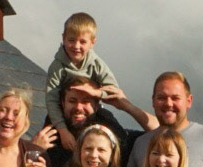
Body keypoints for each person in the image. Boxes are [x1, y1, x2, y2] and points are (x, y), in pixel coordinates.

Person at [44, 13, 153, 153]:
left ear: (92, 43)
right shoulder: (57, 67)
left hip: (93, 113)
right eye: (71, 40)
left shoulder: (97, 64)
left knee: (116, 136)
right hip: (60, 115)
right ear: (63, 38)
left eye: (82, 42)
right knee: (48, 142)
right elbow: (51, 100)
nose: (76, 46)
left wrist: (96, 93)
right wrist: (63, 131)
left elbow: (113, 90)